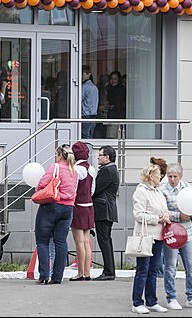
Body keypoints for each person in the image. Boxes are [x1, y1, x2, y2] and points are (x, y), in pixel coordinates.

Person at [160, 163, 192, 310]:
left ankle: (191, 297)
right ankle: (171, 298)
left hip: (188, 234)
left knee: (191, 266)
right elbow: (162, 211)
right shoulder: (163, 190)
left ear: (181, 176)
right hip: (172, 233)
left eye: (175, 176)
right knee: (171, 266)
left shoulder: (187, 188)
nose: (172, 179)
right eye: (170, 176)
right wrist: (178, 216)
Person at [34, 145, 78, 284]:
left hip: (51, 205)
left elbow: (42, 183)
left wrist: (38, 189)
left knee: (42, 242)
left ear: (59, 156)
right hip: (68, 208)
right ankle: (57, 277)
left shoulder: (55, 167)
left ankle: (44, 275)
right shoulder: (74, 171)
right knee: (61, 242)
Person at [130, 163, 170, 314]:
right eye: (159, 174)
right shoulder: (141, 191)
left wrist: (166, 215)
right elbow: (138, 214)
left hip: (158, 236)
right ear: (150, 175)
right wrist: (157, 219)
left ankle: (152, 301)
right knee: (143, 269)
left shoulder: (158, 192)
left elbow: (164, 209)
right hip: (145, 236)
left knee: (153, 270)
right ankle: (137, 303)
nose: (161, 176)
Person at [69, 141, 97, 281]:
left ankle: (80, 273)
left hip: (78, 206)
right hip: (89, 206)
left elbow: (72, 190)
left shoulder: (76, 169)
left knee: (79, 241)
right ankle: (87, 273)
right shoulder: (91, 169)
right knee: (86, 241)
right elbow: (92, 190)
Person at [92, 145, 119, 281]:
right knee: (106, 240)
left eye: (100, 155)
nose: (98, 158)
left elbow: (96, 189)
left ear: (107, 157)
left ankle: (108, 271)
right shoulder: (111, 169)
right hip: (108, 209)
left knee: (104, 240)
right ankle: (109, 270)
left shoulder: (107, 170)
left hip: (104, 210)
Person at [106, 71, 126, 138]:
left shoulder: (122, 89)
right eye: (111, 79)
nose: (113, 81)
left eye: (115, 79)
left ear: (118, 80)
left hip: (119, 116)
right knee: (111, 137)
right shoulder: (108, 88)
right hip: (111, 117)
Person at [81, 65, 99, 139]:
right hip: (93, 115)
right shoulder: (94, 87)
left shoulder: (84, 87)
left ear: (88, 75)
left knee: (85, 137)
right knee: (90, 136)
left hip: (86, 116)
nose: (81, 76)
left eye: (82, 74)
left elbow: (79, 100)